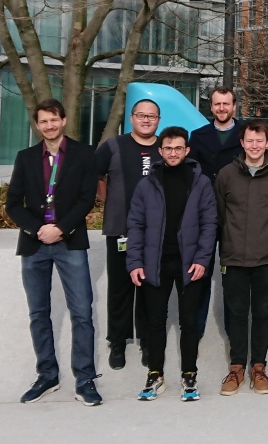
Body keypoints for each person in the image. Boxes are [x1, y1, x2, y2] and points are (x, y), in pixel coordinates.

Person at [7, 99, 101, 406]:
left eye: (53, 119)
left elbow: (87, 199)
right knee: (38, 314)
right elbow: (12, 205)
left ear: (63, 119)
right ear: (37, 125)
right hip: (34, 244)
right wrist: (38, 230)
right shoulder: (25, 157)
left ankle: (84, 380)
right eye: (43, 121)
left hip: (69, 241)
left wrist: (60, 228)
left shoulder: (84, 154)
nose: (49, 125)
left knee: (82, 313)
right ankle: (47, 375)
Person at [126, 127, 217, 402]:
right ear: (161, 150)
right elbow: (136, 224)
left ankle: (189, 374)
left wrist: (202, 259)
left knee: (189, 322)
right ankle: (155, 374)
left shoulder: (200, 183)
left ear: (187, 151)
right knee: (155, 322)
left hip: (190, 265)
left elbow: (209, 224)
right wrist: (134, 262)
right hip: (154, 264)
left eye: (179, 148)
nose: (173, 152)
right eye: (168, 148)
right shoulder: (147, 184)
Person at [215, 120, 268, 396]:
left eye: (259, 141)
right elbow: (221, 216)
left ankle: (258, 368)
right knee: (237, 315)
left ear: (267, 143)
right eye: (249, 141)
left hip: (267, 258)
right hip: (234, 257)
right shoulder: (226, 174)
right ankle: (236, 368)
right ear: (242, 143)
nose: (254, 146)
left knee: (262, 314)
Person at [96, 98, 162, 370]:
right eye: (140, 115)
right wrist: (108, 201)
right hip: (121, 231)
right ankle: (118, 342)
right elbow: (96, 177)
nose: (146, 120)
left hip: (156, 233)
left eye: (151, 116)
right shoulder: (113, 146)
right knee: (121, 288)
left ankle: (148, 342)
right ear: (132, 118)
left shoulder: (165, 147)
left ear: (158, 120)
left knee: (150, 289)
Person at [188, 86, 243, 339]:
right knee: (200, 271)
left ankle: (234, 331)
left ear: (234, 106)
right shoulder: (198, 136)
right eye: (217, 104)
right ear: (211, 107)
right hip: (205, 215)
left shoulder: (245, 134)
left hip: (235, 215)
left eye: (226, 104)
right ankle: (195, 329)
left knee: (233, 278)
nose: (222, 108)